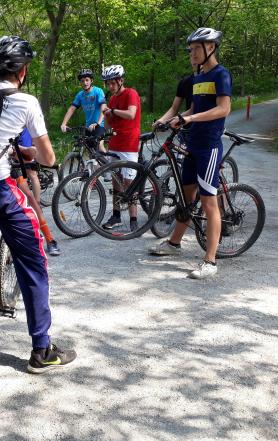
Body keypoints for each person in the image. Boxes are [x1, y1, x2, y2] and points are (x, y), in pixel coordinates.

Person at [0, 35, 76, 373]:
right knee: (34, 261)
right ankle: (42, 350)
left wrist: (13, 148)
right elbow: (49, 158)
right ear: (22, 71)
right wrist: (33, 154)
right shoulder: (25, 101)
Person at [150, 27, 232, 280]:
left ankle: (210, 261)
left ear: (211, 48)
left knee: (209, 203)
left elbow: (223, 109)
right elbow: (194, 107)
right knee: (186, 200)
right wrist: (176, 119)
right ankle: (174, 244)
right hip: (191, 145)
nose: (192, 53)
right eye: (191, 49)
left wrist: (192, 117)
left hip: (208, 146)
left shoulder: (221, 74)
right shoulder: (197, 79)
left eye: (197, 48)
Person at [100, 64, 142, 231]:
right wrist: (106, 114)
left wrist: (113, 110)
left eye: (112, 83)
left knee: (129, 183)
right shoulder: (111, 99)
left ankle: (134, 218)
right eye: (107, 84)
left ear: (120, 81)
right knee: (116, 182)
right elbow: (110, 124)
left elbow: (131, 114)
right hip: (115, 144)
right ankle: (116, 216)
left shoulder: (131, 93)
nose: (110, 87)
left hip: (129, 144)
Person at [13, 128, 61, 256]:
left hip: (17, 164)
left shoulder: (21, 123)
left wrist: (23, 151)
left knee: (30, 197)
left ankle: (50, 239)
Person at [60, 69, 107, 153]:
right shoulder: (80, 95)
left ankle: (110, 165)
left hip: (100, 125)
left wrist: (98, 123)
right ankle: (94, 166)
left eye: (87, 80)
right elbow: (71, 109)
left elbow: (104, 107)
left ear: (91, 80)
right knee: (90, 151)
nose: (85, 83)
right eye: (82, 81)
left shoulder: (98, 91)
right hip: (88, 127)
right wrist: (64, 123)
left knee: (99, 146)